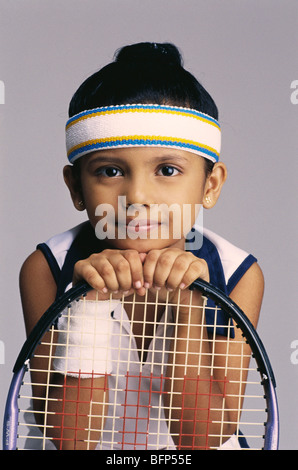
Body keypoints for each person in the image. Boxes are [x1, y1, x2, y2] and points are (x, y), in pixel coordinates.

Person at [19, 42, 264, 450]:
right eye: (110, 170)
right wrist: (90, 306)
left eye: (167, 170)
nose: (136, 195)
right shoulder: (47, 268)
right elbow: (70, 438)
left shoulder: (237, 272)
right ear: (75, 187)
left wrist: (189, 308)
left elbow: (200, 439)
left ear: (210, 184)